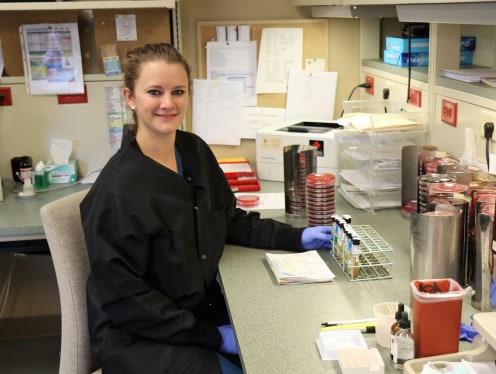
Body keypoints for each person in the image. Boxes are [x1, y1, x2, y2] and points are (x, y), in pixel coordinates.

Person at [80, 42, 332, 374]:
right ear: (130, 97)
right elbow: (128, 301)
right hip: (140, 337)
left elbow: (229, 221)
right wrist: (211, 337)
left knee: (289, 347)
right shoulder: (116, 193)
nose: (168, 103)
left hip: (194, 313)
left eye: (178, 91)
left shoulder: (194, 151)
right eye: (154, 92)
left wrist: (297, 238)